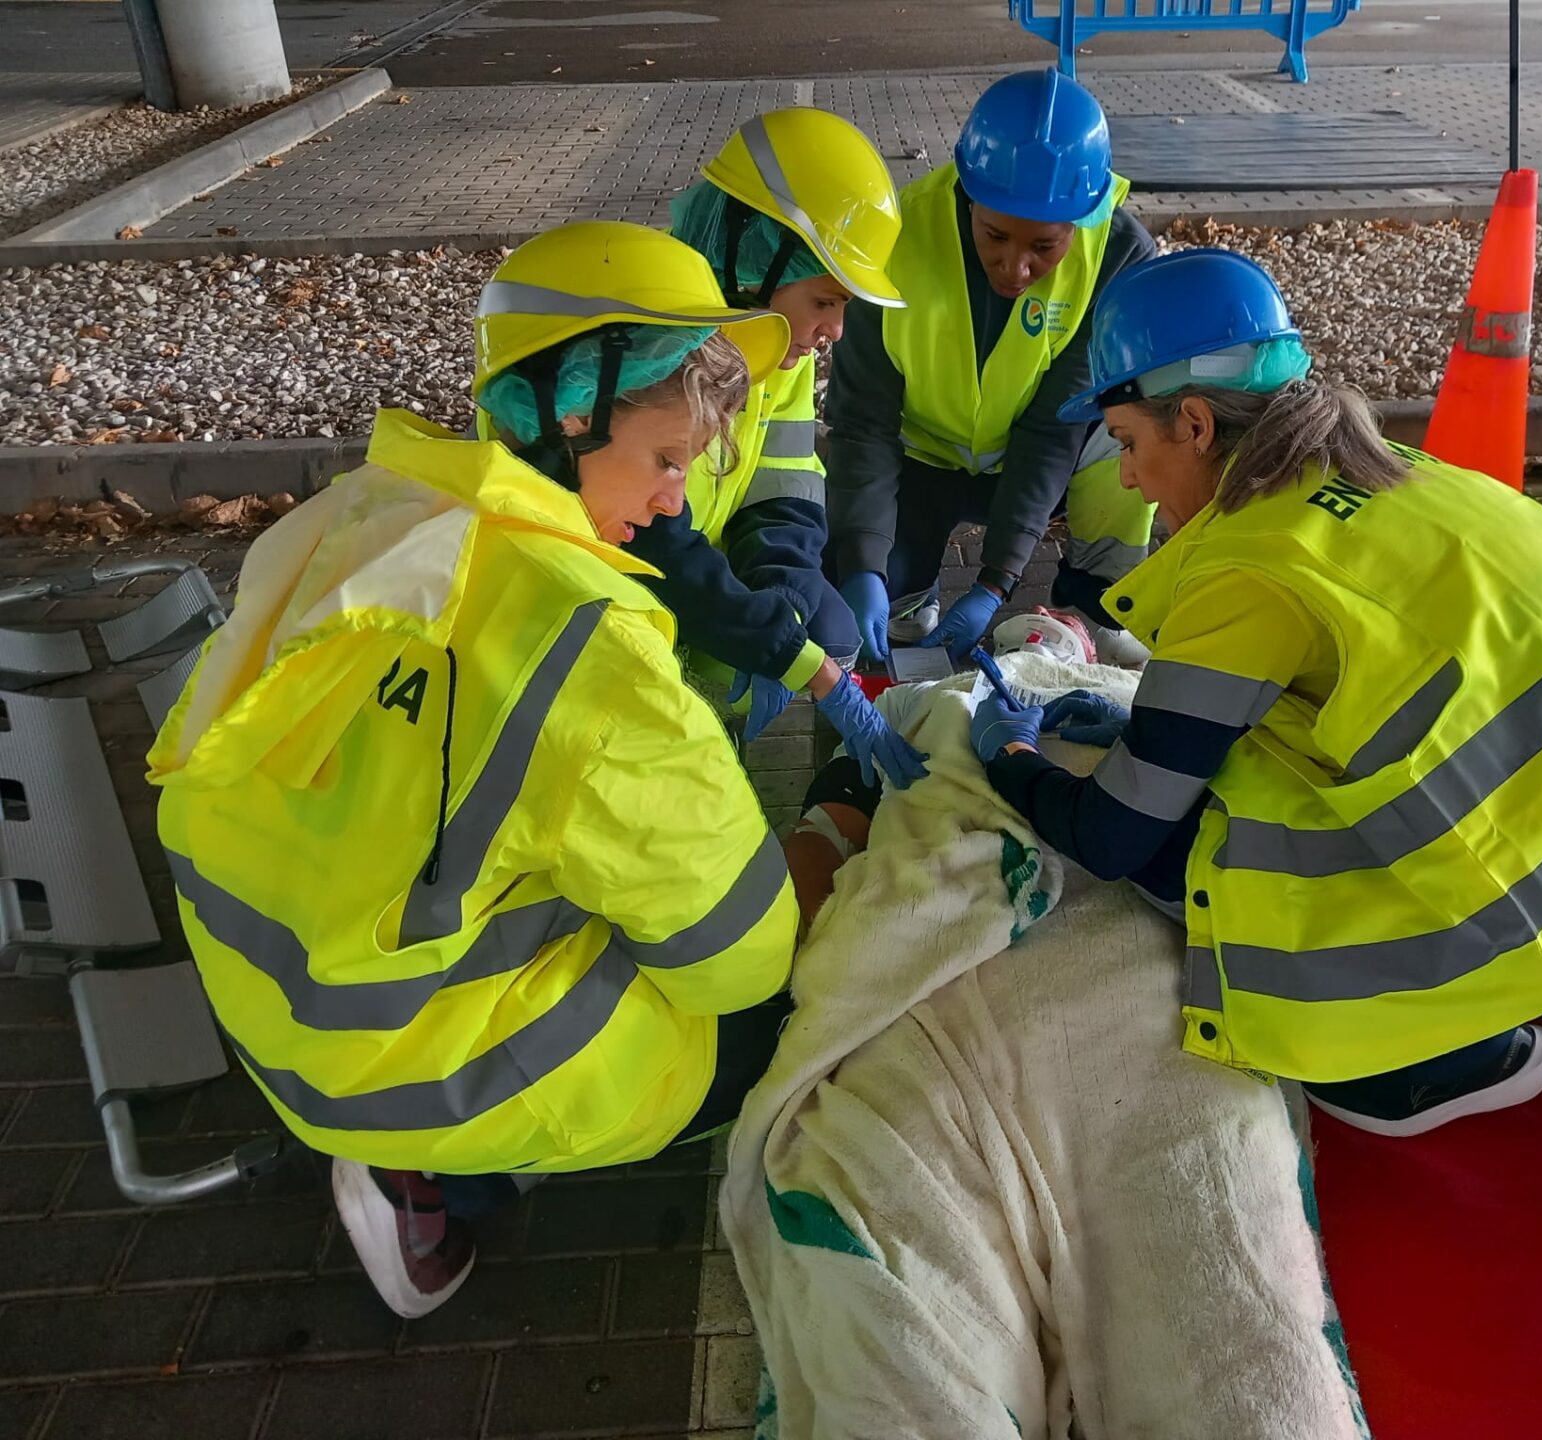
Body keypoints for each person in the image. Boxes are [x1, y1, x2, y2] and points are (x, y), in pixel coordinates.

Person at [967, 247, 1542, 1136]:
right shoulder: (1400, 473)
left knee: (1190, 861)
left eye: (1126, 443)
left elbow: (1114, 835)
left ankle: (1425, 1062)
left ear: (1194, 426)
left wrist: (1010, 760)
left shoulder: (1251, 563)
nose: (1124, 476)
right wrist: (1146, 722)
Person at [150, 222, 807, 1318]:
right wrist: (828, 835)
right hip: (400, 1065)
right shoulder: (585, 642)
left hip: (262, 1016)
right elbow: (735, 958)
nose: (674, 503)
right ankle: (448, 1176)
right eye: (666, 459)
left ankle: (410, 1157)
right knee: (774, 1017)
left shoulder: (356, 518)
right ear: (571, 412)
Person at [824, 67, 1159, 671]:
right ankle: (905, 598)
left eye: (1044, 248)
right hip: (919, 457)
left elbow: (1054, 427)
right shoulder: (892, 236)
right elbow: (863, 423)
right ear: (967, 194)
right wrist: (863, 560)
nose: (1015, 268)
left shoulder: (1116, 252)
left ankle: (1097, 609)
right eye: (996, 235)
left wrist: (996, 582)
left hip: (1041, 457)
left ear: (1079, 222)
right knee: (861, 581)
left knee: (1129, 428)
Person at [627, 108, 924, 784]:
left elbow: (783, 480)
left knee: (802, 628)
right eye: (825, 301)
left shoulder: (771, 349)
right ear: (756, 258)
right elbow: (649, 538)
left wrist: (784, 577)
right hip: (601, 604)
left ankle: (706, 757)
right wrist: (797, 657)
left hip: (679, 581)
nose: (836, 332)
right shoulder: (648, 348)